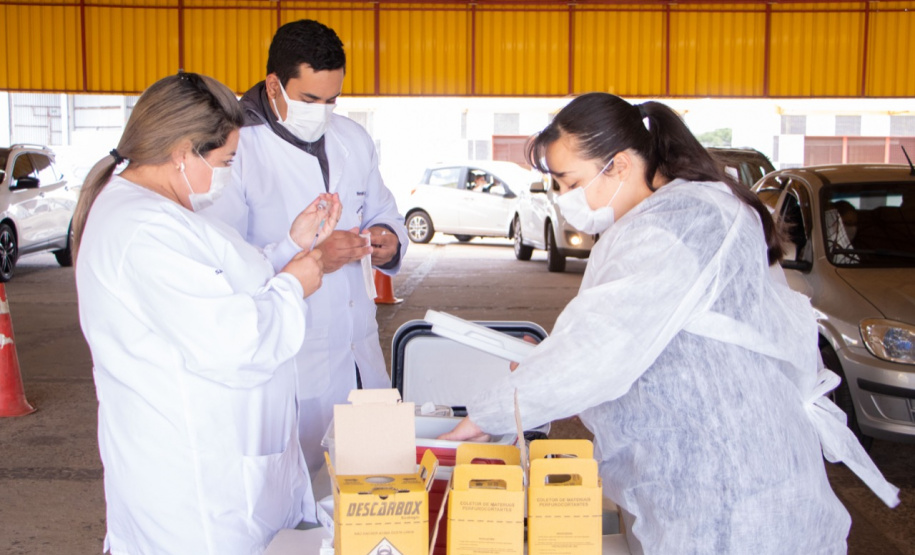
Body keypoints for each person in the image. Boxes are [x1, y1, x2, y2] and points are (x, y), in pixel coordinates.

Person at [441, 93, 899, 553]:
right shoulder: (684, 210)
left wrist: (488, 415)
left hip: (727, 476)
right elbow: (634, 332)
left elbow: (602, 348)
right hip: (727, 466)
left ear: (618, 165)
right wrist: (546, 361)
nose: (564, 199)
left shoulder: (671, 225)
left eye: (569, 182)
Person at [74, 72, 342, 554]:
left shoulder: (160, 214)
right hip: (193, 489)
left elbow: (221, 284)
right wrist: (292, 287)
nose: (229, 174)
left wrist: (289, 246)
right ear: (183, 153)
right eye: (225, 161)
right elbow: (233, 343)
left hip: (221, 465)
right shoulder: (143, 231)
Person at [201, 19, 408, 483]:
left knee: (375, 491)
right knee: (300, 504)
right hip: (292, 359)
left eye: (332, 100)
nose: (323, 111)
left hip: (359, 350)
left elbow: (383, 210)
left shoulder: (352, 140)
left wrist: (385, 239)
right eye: (311, 100)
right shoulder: (236, 150)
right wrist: (311, 258)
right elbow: (223, 264)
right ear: (275, 86)